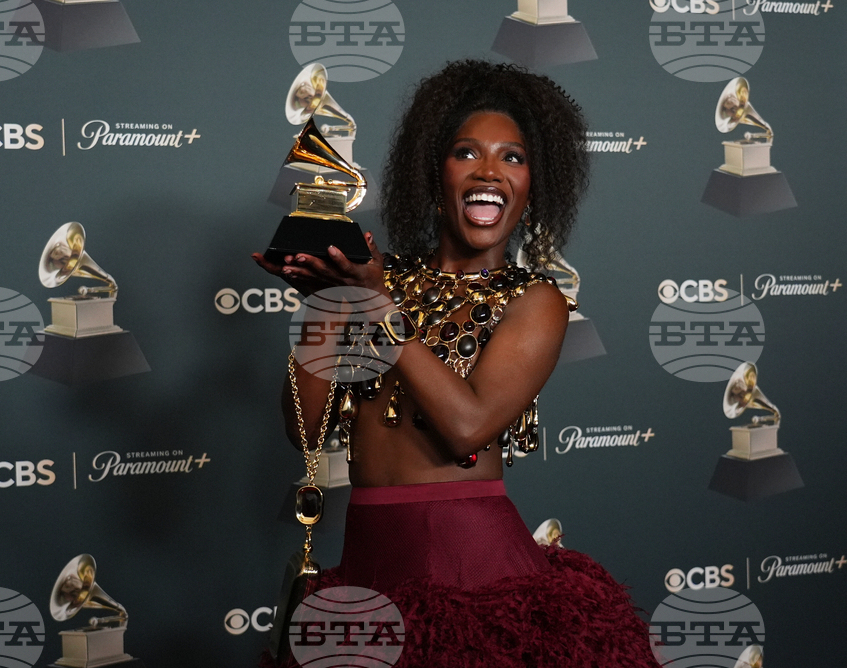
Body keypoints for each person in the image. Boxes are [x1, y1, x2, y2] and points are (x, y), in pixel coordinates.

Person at [254, 60, 659, 667]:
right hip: (367, 567)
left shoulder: (535, 301)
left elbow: (468, 427)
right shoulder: (377, 278)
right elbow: (305, 431)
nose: (489, 171)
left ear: (533, 186)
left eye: (513, 158)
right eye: (466, 153)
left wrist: (376, 305)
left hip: (474, 578)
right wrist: (328, 304)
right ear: (433, 173)